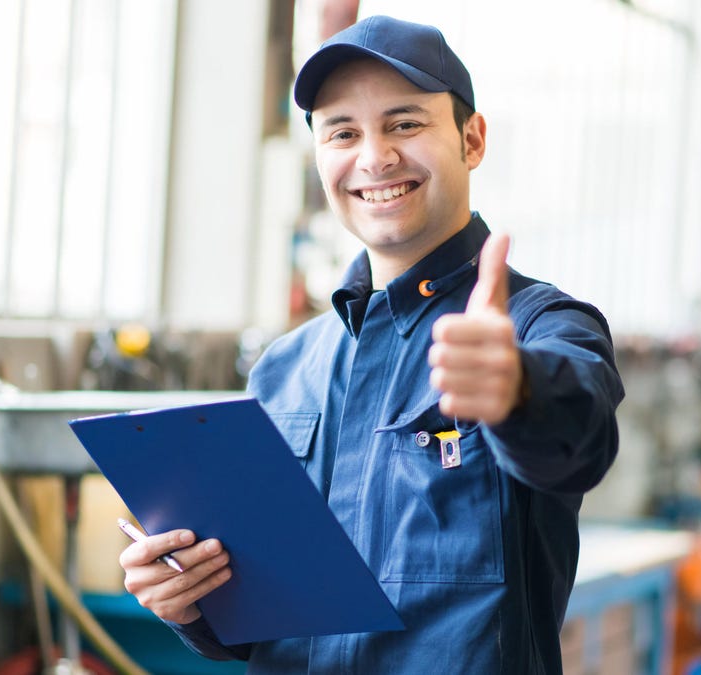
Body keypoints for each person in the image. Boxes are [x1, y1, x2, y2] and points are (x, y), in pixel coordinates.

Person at [118, 15, 624, 674]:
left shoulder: (537, 326)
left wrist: (517, 390)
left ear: (472, 139)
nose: (375, 157)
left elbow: (578, 436)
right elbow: (263, 618)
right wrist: (186, 599)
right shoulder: (285, 371)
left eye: (405, 124)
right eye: (343, 133)